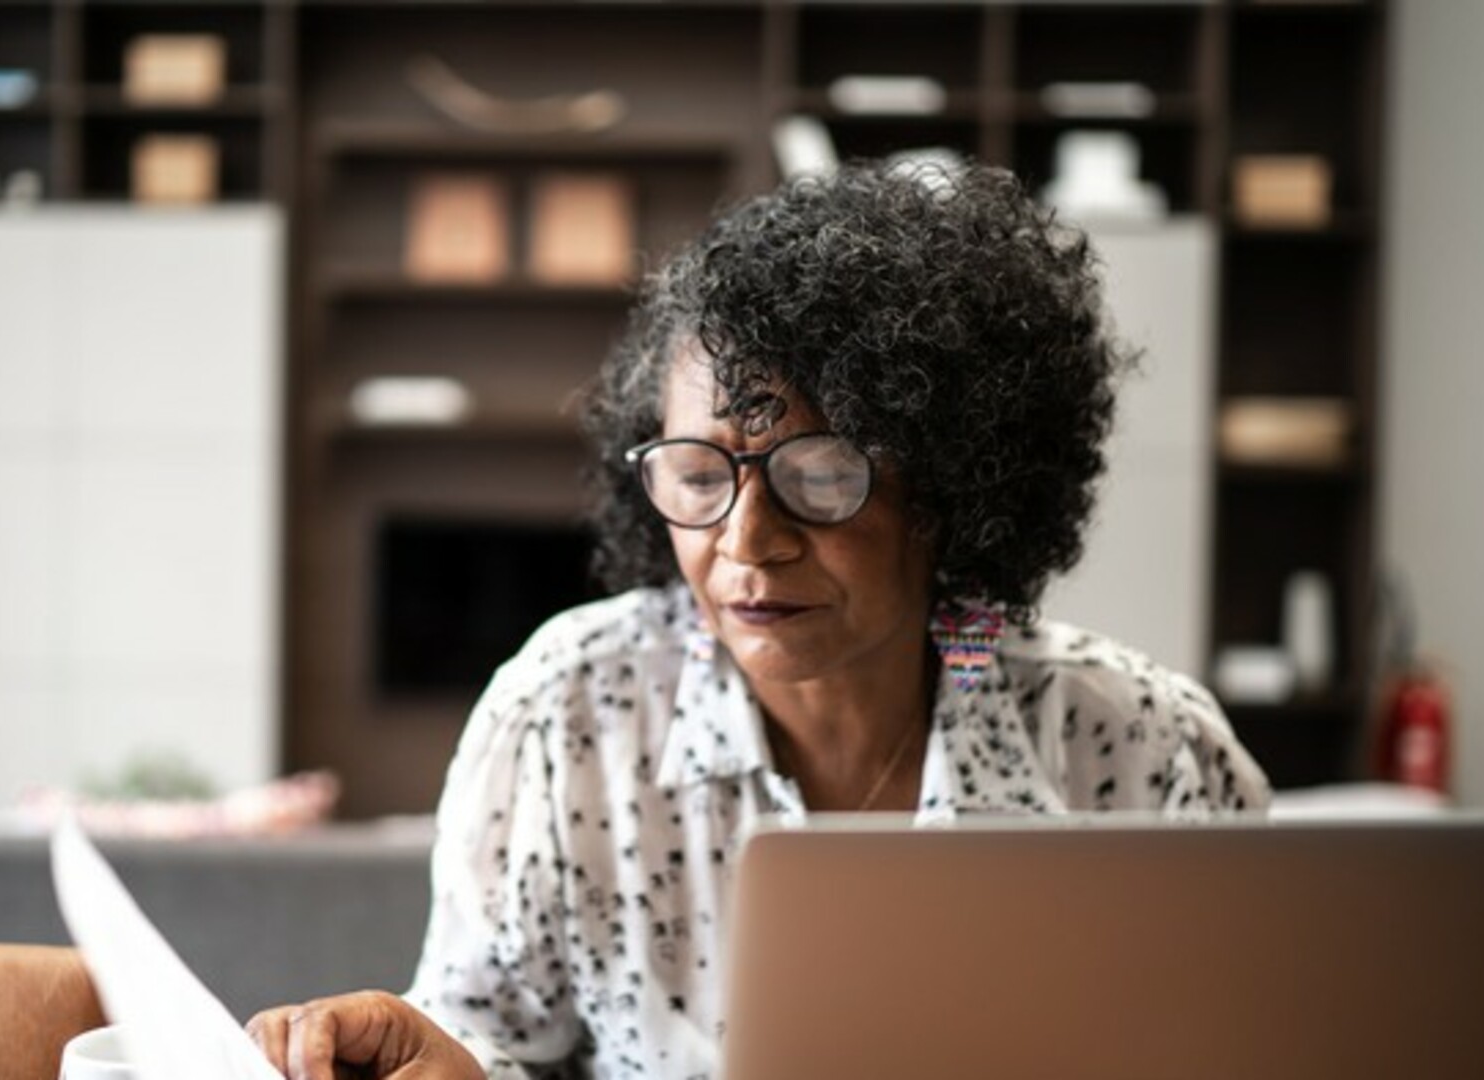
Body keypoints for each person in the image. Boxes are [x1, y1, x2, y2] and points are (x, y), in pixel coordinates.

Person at [247, 161, 1270, 1080]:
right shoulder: (567, 713)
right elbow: (494, 1040)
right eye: (698, 475)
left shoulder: (1142, 751)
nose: (746, 540)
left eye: (821, 478)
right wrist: (449, 1065)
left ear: (953, 487)